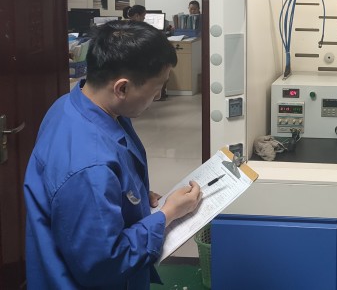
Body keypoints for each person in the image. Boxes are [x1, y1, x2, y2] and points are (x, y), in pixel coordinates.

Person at [24, 20, 203, 289]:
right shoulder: (89, 167)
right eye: (156, 88)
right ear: (122, 88)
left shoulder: (72, 105)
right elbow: (105, 264)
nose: (157, 97)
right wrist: (167, 214)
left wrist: (131, 197)